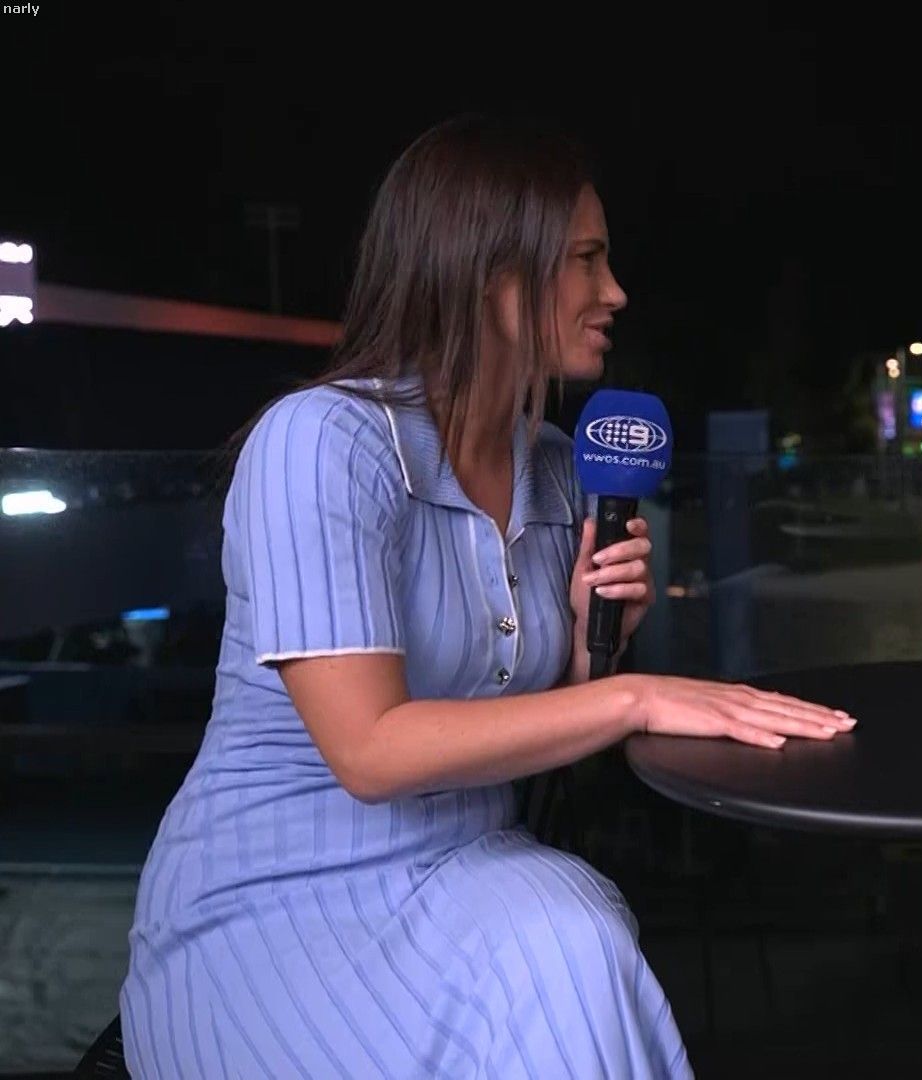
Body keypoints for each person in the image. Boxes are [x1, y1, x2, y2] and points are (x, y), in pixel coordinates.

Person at [119, 115, 855, 1078]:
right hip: (270, 904)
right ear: (490, 277)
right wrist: (631, 697)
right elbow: (370, 750)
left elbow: (541, 712)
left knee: (571, 942)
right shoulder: (319, 444)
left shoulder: (557, 466)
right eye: (586, 260)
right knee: (556, 942)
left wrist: (595, 648)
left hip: (471, 872)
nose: (616, 292)